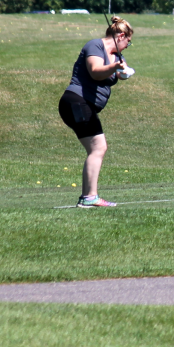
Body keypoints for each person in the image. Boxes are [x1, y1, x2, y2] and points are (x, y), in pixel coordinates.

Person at [58, 16, 134, 207]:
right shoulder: (95, 46)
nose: (126, 46)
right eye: (128, 42)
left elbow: (115, 74)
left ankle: (89, 196)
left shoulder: (117, 57)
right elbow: (95, 71)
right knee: (98, 147)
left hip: (84, 105)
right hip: (76, 101)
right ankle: (89, 197)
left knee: (97, 147)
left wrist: (122, 72)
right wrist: (115, 67)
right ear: (122, 36)